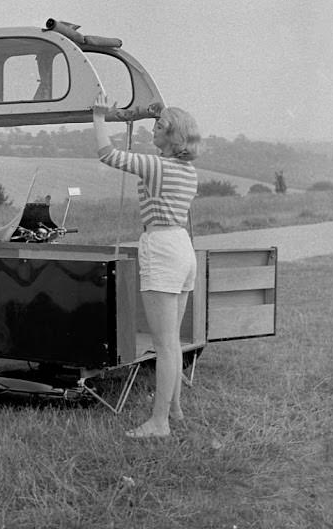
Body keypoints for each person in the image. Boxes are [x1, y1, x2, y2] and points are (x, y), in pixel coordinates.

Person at [93, 92, 201, 438]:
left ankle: (159, 424)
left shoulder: (157, 166)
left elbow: (107, 154)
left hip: (162, 247)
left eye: (159, 126)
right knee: (173, 341)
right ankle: (175, 410)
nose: (153, 130)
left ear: (171, 136)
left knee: (165, 343)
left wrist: (98, 117)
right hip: (183, 248)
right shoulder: (188, 171)